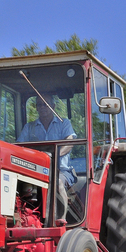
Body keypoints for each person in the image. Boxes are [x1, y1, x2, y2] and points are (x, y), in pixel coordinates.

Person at [17, 93, 76, 221]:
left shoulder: (63, 123)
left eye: (46, 104)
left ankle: (62, 218)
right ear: (36, 108)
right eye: (39, 104)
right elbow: (19, 148)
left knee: (58, 182)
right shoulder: (29, 127)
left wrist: (54, 157)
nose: (43, 107)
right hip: (35, 170)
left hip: (61, 170)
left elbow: (69, 143)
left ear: (53, 106)